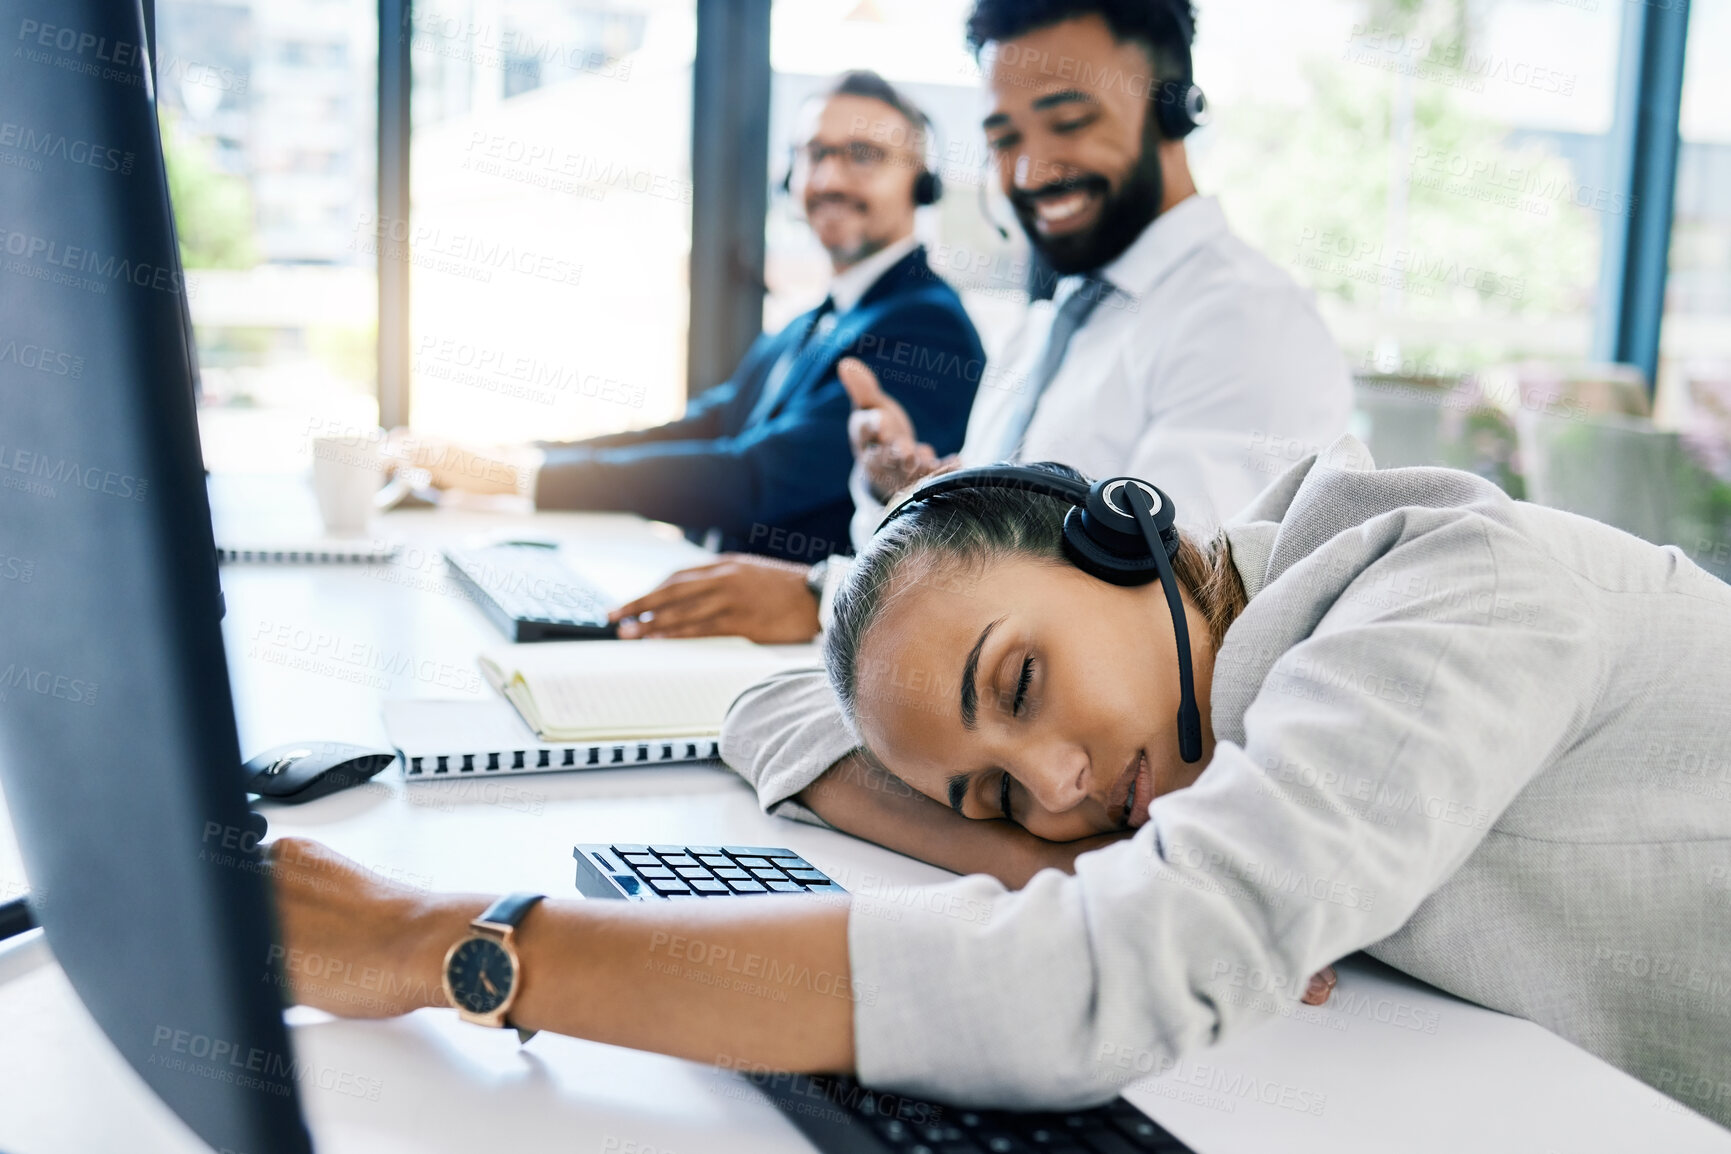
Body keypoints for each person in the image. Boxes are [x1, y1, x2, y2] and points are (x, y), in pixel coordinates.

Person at [270, 436, 1731, 1126]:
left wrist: (444, 944)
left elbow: (1104, 985)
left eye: (1019, 683)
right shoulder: (1200, 708)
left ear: (1126, 538)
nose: (1054, 786)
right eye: (982, 795)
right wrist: (1051, 862)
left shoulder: (1459, 596)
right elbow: (778, 708)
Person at [610, 0, 1352, 643]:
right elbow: (981, 558)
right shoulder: (1047, 329)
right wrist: (904, 491)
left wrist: (820, 599)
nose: (1029, 171)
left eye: (1068, 121)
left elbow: (1154, 606)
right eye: (1004, 139)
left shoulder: (1247, 324)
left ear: (1170, 109)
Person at [394, 71, 984, 589]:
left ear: (921, 180)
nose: (829, 177)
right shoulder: (815, 318)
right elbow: (707, 424)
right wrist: (520, 457)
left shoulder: (926, 327)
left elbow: (754, 479)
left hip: (791, 653)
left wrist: (516, 478)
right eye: (814, 153)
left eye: (862, 154)